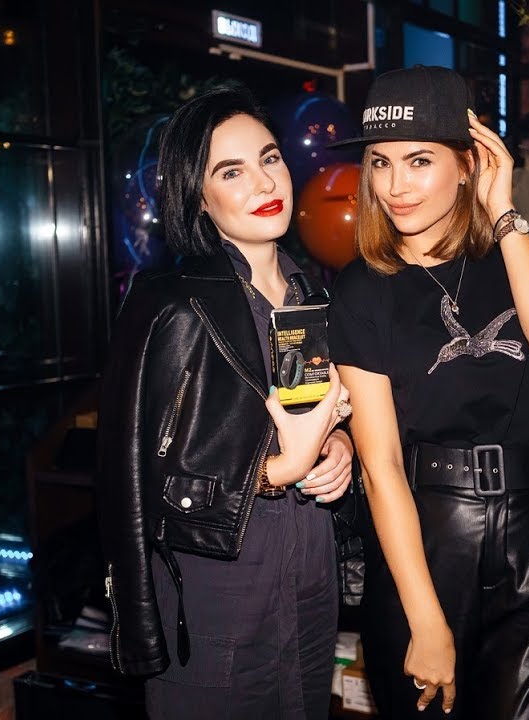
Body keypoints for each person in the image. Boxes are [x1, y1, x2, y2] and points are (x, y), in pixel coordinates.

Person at [325, 65, 529, 719]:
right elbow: (381, 466)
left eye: (419, 161)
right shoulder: (362, 288)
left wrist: (504, 215)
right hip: (427, 538)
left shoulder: (525, 251)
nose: (396, 185)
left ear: (469, 164)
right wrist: (425, 619)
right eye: (381, 163)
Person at [95, 84, 357, 720]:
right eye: (231, 171)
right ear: (198, 195)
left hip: (311, 582)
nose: (264, 181)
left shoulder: (313, 295)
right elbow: (131, 475)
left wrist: (337, 446)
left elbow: (307, 419)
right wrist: (276, 471)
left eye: (269, 158)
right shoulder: (169, 301)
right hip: (214, 595)